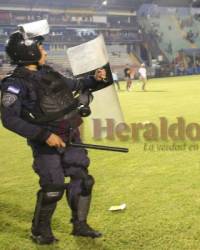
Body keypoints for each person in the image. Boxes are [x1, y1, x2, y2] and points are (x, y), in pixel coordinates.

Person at [1, 29, 107, 244]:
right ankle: (40, 231)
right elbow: (10, 120)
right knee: (53, 186)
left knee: (83, 180)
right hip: (45, 143)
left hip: (71, 136)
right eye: (40, 47)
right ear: (29, 52)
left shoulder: (50, 72)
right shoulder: (13, 85)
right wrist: (44, 135)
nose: (45, 51)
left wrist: (94, 79)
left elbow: (77, 85)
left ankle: (80, 225)